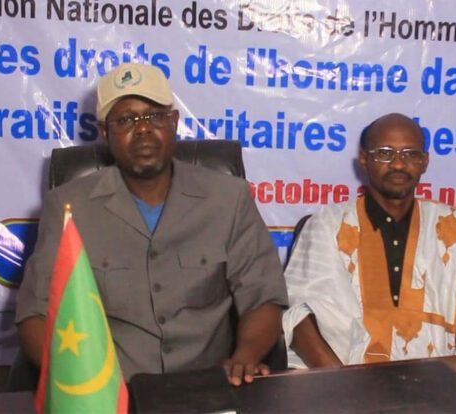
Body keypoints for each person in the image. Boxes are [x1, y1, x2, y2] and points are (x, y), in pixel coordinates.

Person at [15, 62, 289, 386]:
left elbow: (263, 296)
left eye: (154, 116)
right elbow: (35, 313)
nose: (143, 129)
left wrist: (245, 357)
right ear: (105, 133)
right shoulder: (69, 207)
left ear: (174, 122)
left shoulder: (229, 198)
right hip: (110, 391)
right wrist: (80, 382)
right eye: (125, 120)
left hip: (209, 386)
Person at [281, 113, 456, 368]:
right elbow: (298, 315)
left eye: (410, 154)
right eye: (385, 153)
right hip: (342, 377)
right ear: (364, 159)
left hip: (442, 379)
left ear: (425, 162)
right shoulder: (328, 225)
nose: (399, 164)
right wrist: (341, 382)